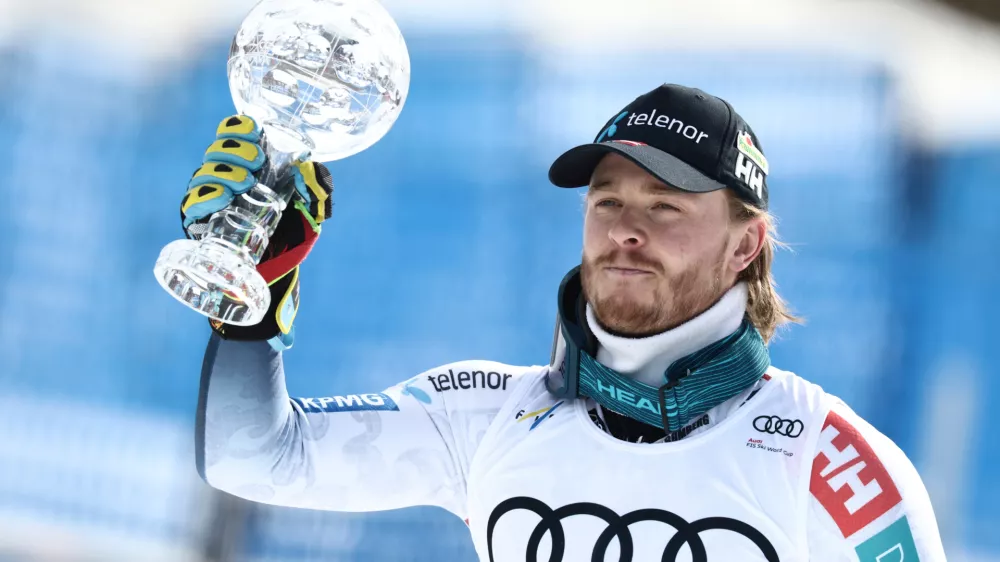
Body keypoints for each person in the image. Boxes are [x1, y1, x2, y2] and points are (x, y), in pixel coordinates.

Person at [182, 85, 946, 561]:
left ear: (746, 244)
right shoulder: (486, 413)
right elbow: (250, 458)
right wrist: (253, 303)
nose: (626, 229)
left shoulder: (829, 462)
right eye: (607, 200)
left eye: (666, 206)